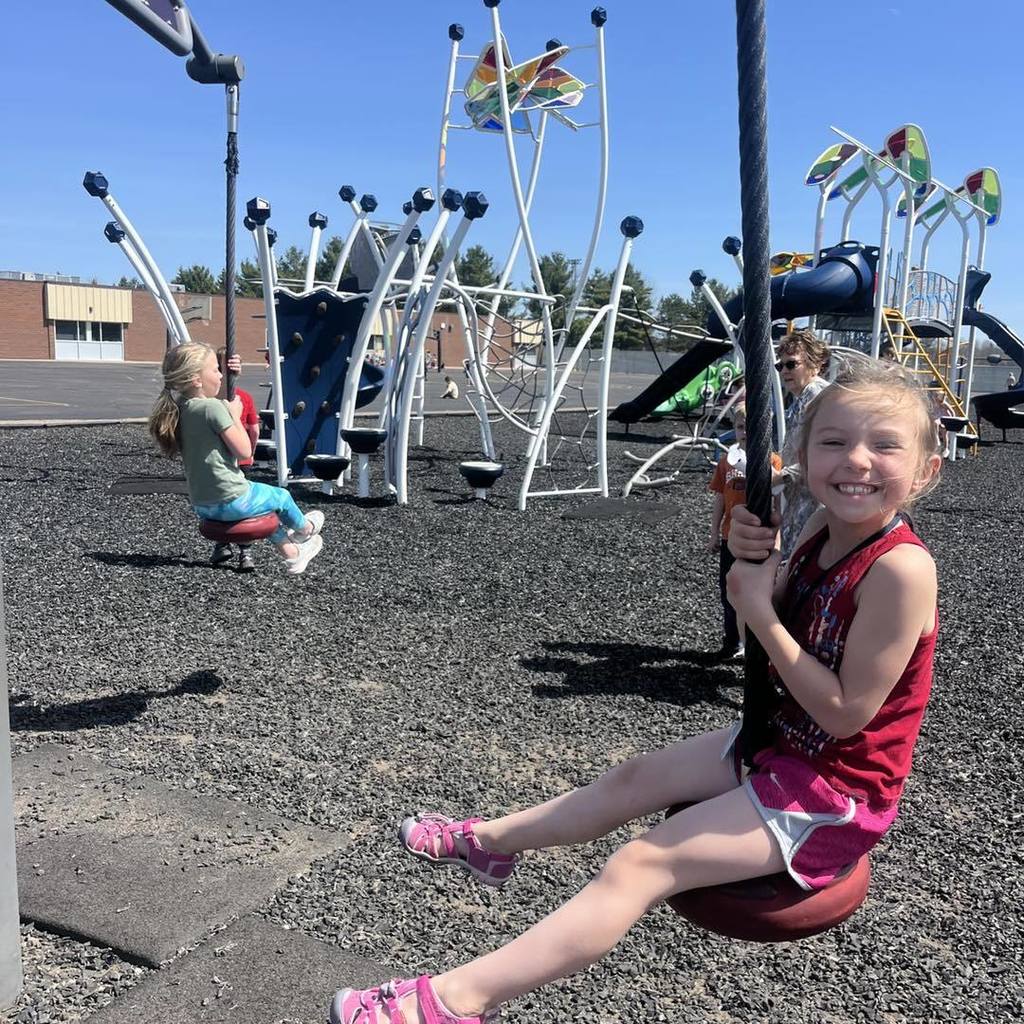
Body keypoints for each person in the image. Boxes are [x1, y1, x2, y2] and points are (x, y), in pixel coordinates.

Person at [328, 359, 943, 1024]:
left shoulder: (901, 571)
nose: (856, 460)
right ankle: (492, 844)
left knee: (638, 866)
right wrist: (751, 556)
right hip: (780, 741)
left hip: (835, 790)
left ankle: (451, 1004)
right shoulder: (823, 529)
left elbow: (847, 714)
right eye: (833, 442)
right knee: (632, 778)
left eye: (885, 445)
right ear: (803, 452)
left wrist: (758, 611)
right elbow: (783, 612)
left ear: (926, 470)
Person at [148, 342, 325, 575]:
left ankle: (293, 556)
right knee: (281, 496)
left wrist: (233, 381)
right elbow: (244, 452)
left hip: (202, 504)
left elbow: (209, 401)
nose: (221, 375)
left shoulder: (180, 408)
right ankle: (305, 529)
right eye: (215, 370)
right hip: (231, 497)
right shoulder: (214, 409)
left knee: (264, 509)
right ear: (196, 379)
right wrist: (234, 415)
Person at [707, 404, 782, 661]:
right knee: (728, 591)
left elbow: (778, 502)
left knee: (758, 592)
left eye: (752, 428)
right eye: (740, 427)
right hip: (731, 536)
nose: (746, 433)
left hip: (759, 538)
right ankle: (732, 641)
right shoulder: (726, 462)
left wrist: (778, 535)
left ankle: (759, 647)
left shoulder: (772, 462)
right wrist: (713, 532)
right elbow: (720, 499)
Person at [773, 328, 830, 561]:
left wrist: (783, 476)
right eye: (780, 366)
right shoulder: (802, 396)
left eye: (791, 364)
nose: (784, 371)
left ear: (814, 364)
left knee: (803, 559)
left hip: (814, 499)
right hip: (801, 494)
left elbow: (825, 453)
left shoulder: (817, 395)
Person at [209, 348, 261, 571]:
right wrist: (250, 452)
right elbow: (255, 430)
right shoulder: (245, 398)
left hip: (218, 461)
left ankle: (222, 544)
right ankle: (245, 552)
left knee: (219, 501)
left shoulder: (211, 401)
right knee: (242, 504)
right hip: (241, 460)